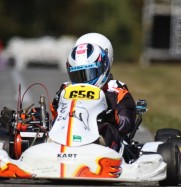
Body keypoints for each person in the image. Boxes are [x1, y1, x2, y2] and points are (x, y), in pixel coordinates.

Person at [50, 33, 137, 161]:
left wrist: (112, 117)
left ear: (103, 66)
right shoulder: (66, 88)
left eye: (89, 73)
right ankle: (48, 148)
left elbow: (127, 122)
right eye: (78, 75)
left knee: (106, 128)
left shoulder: (117, 90)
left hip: (101, 140)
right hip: (65, 134)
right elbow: (56, 114)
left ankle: (102, 155)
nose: (83, 80)